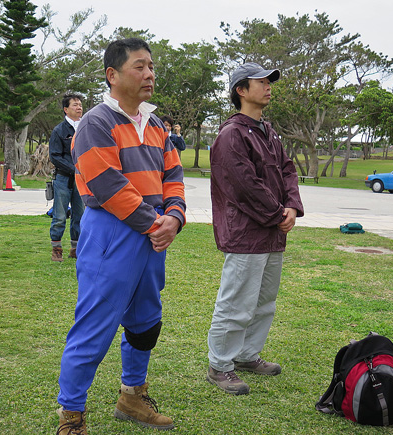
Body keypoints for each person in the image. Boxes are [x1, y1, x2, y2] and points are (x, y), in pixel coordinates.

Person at [56, 38, 186, 434]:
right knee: (94, 326)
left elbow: (173, 176)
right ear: (112, 75)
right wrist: (155, 223)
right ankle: (71, 417)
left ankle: (132, 398)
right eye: (140, 66)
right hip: (112, 234)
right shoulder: (97, 122)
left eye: (151, 67)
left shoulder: (157, 124)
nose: (149, 74)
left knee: (146, 322)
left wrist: (175, 218)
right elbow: (106, 183)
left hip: (154, 234)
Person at [206, 63, 304, 395]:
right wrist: (278, 212)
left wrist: (291, 206)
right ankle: (220, 365)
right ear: (241, 91)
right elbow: (243, 185)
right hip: (246, 234)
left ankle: (247, 355)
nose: (268, 86)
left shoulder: (268, 130)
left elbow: (288, 170)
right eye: (260, 82)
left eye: (268, 81)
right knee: (236, 302)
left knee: (264, 301)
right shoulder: (231, 134)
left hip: (272, 232)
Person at [49, 94, 85, 261]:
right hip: (63, 179)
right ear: (66, 109)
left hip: (81, 180)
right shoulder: (59, 130)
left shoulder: (85, 128)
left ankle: (75, 249)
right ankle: (56, 249)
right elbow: (55, 156)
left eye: (80, 105)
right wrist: (75, 169)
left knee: (80, 215)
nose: (79, 108)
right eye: (75, 105)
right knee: (60, 216)